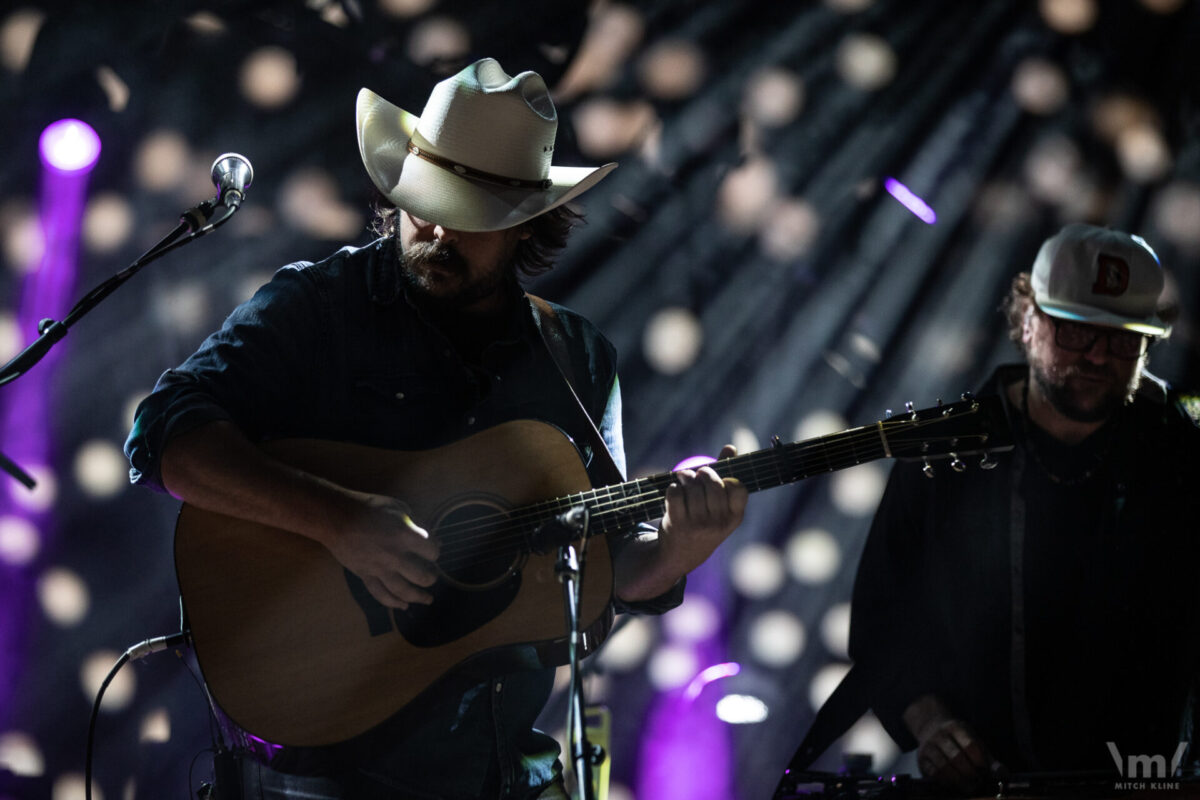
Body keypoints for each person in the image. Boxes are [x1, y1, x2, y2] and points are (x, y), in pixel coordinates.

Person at [125, 58, 747, 800]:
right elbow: (164, 437)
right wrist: (339, 519)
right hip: (322, 770)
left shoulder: (576, 356)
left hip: (497, 765)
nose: (439, 226)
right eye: (427, 200)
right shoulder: (319, 306)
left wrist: (678, 549)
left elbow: (603, 569)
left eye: (472, 211)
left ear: (527, 224)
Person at [847, 223, 1200, 792]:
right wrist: (933, 725)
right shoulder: (945, 454)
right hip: (984, 786)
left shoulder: (1183, 456)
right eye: (1077, 331)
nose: (1098, 356)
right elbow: (883, 624)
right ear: (1028, 319)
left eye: (1122, 338)